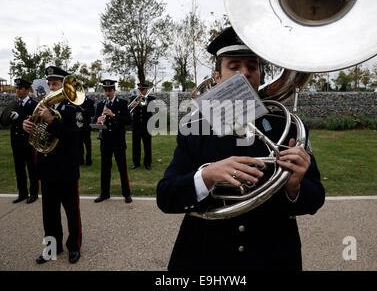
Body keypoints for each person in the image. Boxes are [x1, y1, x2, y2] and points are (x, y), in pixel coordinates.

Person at [156, 27, 325, 271]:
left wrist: (294, 186)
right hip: (207, 257)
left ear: (260, 74)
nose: (245, 73)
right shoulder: (194, 126)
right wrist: (208, 175)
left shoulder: (287, 127)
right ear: (217, 77)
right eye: (234, 66)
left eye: (252, 67)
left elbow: (315, 199)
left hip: (272, 257)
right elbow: (166, 197)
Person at [23, 66, 82, 264]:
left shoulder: (76, 110)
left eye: (55, 84)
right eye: (49, 84)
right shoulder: (44, 109)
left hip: (66, 170)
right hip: (48, 170)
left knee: (72, 213)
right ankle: (51, 249)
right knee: (49, 215)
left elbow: (74, 138)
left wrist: (51, 121)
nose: (51, 88)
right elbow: (37, 137)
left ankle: (74, 246)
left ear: (65, 86)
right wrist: (28, 126)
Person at [92, 79, 132, 203]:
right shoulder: (100, 105)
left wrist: (113, 115)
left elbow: (128, 121)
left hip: (118, 141)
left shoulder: (122, 103)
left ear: (114, 90)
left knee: (122, 168)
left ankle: (126, 194)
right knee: (105, 168)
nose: (107, 93)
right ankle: (105, 193)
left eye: (110, 90)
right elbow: (93, 123)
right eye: (105, 90)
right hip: (105, 141)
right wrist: (97, 122)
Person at [0, 78, 39, 204]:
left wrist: (20, 118)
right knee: (19, 168)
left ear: (27, 90)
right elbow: (4, 121)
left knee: (32, 168)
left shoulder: (34, 105)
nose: (17, 90)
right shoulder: (14, 104)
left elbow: (36, 122)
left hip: (29, 141)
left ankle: (33, 193)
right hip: (16, 141)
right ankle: (22, 193)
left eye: (20, 88)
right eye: (16, 88)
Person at [129, 83, 156, 170]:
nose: (141, 91)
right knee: (136, 145)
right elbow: (128, 109)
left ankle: (147, 163)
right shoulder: (133, 98)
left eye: (143, 89)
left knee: (147, 145)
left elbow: (154, 109)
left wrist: (146, 101)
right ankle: (136, 163)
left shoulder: (151, 99)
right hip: (136, 125)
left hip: (147, 125)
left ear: (146, 90)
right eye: (140, 89)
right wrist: (132, 105)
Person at [76, 88, 95, 166]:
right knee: (79, 144)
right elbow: (76, 113)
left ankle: (88, 161)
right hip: (78, 124)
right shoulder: (76, 101)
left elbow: (92, 113)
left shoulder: (90, 101)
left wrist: (84, 111)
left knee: (87, 144)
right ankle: (80, 160)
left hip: (86, 125)